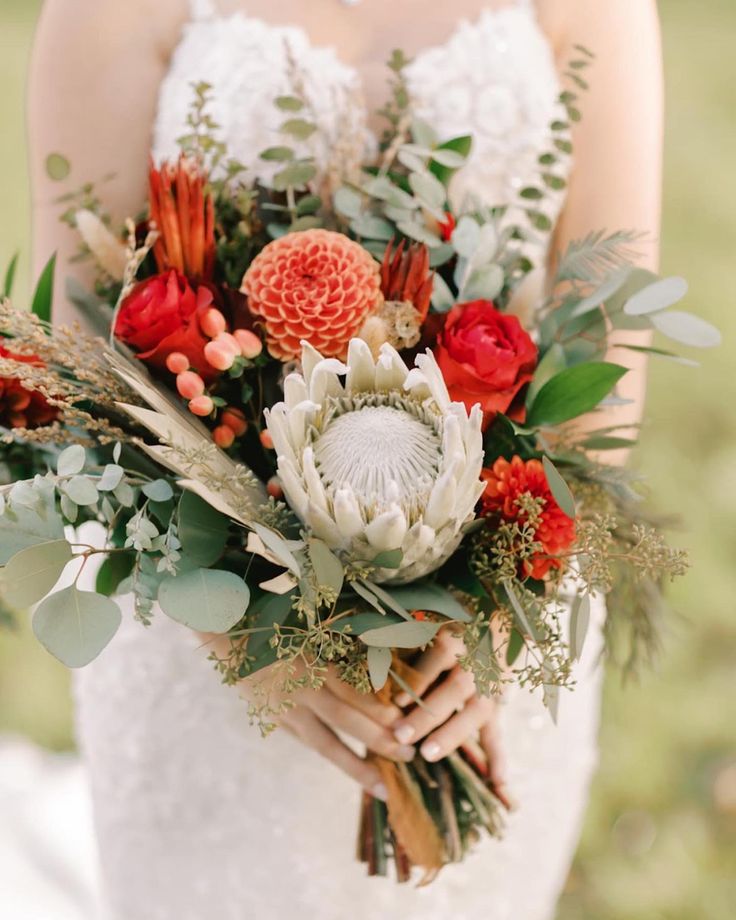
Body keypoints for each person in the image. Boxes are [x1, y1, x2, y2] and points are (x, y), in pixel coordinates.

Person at [28, 1, 663, 917]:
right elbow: (87, 363)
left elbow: (609, 355)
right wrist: (248, 640)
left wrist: (503, 609)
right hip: (208, 639)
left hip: (485, 650)